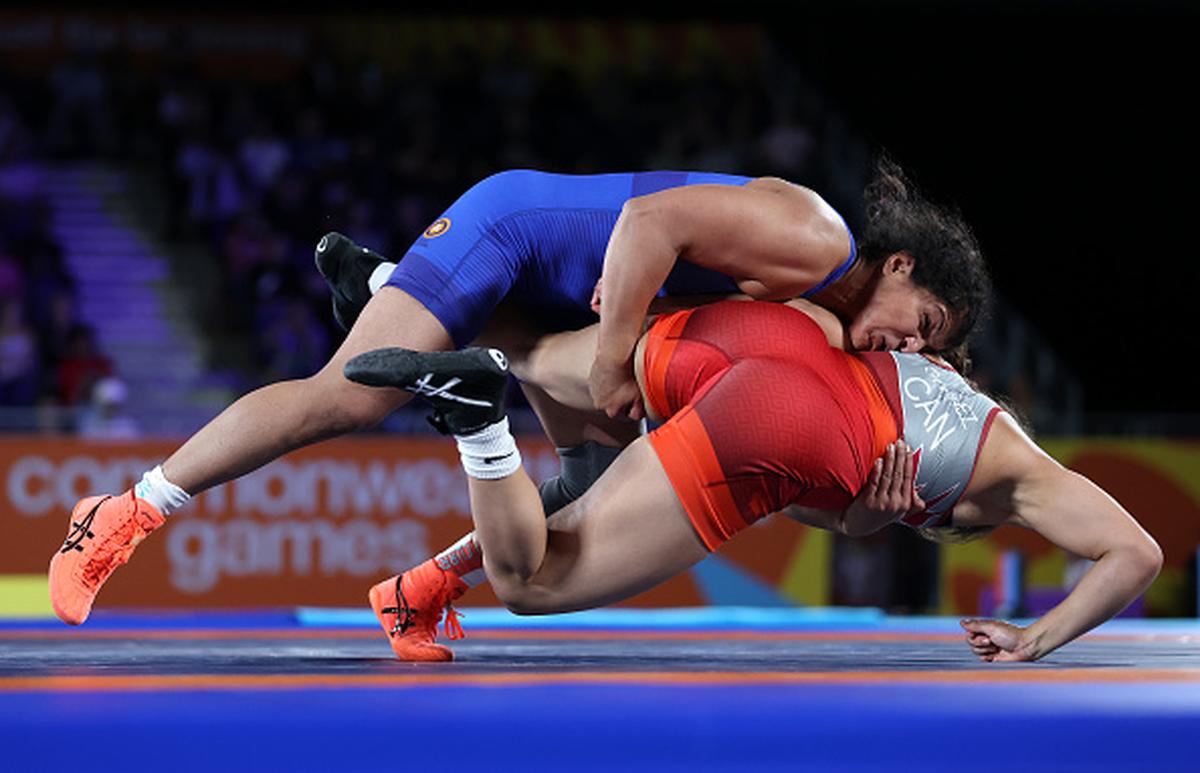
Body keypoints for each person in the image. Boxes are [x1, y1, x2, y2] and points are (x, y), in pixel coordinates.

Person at [48, 161, 989, 627]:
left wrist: (869, 511)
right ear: (899, 263)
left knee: (592, 486)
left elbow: (766, 468)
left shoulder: (825, 325)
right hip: (515, 236)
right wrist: (618, 360)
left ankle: (420, 586)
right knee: (353, 397)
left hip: (556, 300)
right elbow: (646, 220)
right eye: (925, 323)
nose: (907, 346)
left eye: (924, 352)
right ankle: (125, 509)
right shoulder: (820, 243)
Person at [344, 298, 1161, 664]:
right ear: (958, 521)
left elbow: (808, 485)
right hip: (789, 416)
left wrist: (853, 521)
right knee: (534, 582)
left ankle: (398, 292)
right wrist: (1033, 639)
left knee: (554, 423)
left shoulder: (927, 369)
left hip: (765, 333)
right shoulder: (1020, 469)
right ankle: (482, 424)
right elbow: (1136, 552)